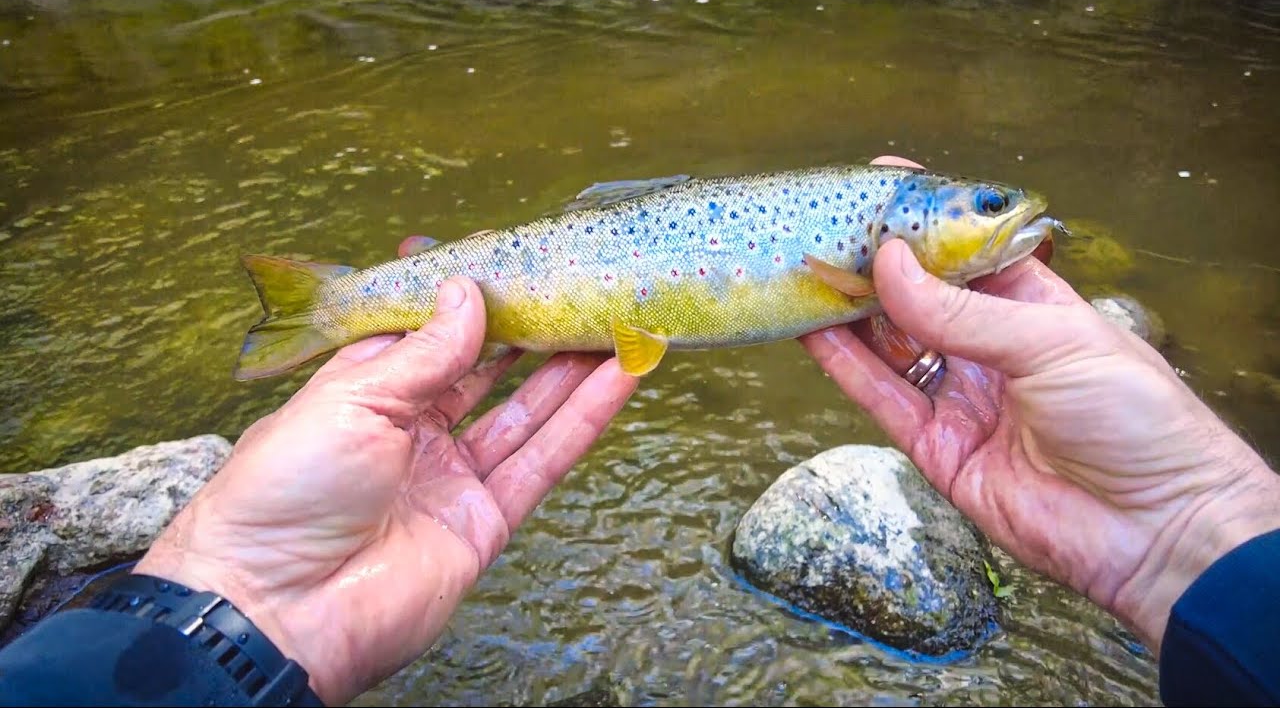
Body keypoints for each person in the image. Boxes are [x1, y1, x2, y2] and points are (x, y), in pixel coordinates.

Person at [0, 157, 1276, 708]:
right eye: (986, 209)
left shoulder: (863, 242)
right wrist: (1200, 534)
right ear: (903, 233)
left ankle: (341, 304)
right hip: (578, 283)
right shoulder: (860, 248)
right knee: (453, 314)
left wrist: (219, 610)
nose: (1010, 220)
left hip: (601, 293)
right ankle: (336, 303)